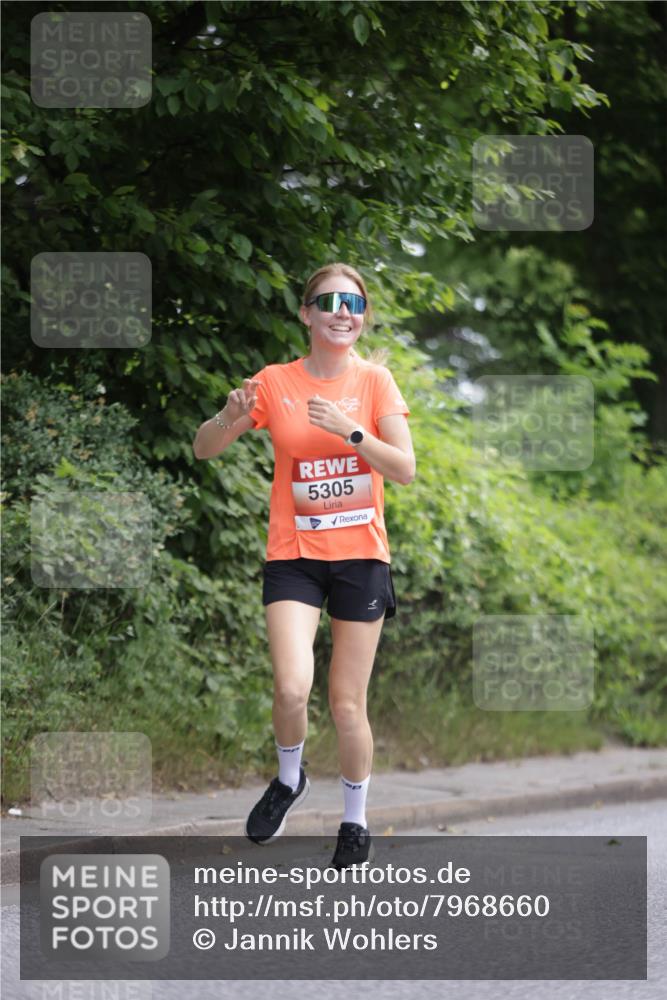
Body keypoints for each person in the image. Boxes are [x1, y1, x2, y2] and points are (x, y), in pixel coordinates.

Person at [192, 262, 415, 870]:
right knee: (292, 685)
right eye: (330, 301)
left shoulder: (376, 383)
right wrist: (230, 416)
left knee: (347, 704)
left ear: (363, 317)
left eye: (354, 302)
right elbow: (203, 446)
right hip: (293, 557)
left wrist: (351, 434)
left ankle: (355, 820)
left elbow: (404, 467)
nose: (344, 311)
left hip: (361, 559)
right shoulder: (275, 382)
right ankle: (289, 780)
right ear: (307, 314)